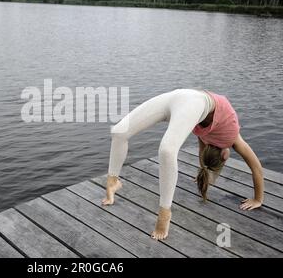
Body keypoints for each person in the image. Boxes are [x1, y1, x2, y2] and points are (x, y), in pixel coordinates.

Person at [102, 88, 264, 240]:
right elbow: (256, 167)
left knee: (163, 148)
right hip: (185, 100)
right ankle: (113, 182)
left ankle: (164, 214)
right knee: (122, 132)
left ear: (222, 155)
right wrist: (257, 199)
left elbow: (204, 152)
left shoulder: (214, 139)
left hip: (184, 97)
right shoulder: (232, 137)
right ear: (223, 155)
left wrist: (204, 172)